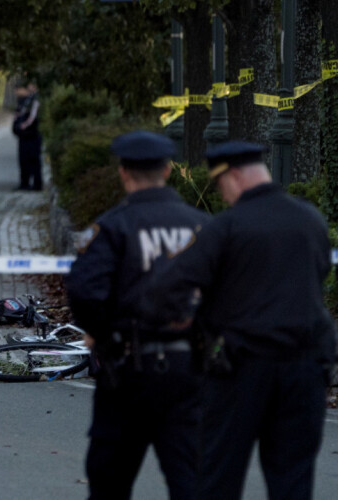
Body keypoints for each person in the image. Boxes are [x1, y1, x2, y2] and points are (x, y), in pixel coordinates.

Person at [139, 141, 336, 500]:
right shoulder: (310, 219)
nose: (223, 195)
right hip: (304, 368)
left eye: (220, 186)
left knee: (216, 476)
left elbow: (168, 286)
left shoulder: (226, 227)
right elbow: (318, 275)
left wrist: (184, 319)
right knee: (293, 481)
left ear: (232, 176)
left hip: (241, 370)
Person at [65, 130, 210, 500]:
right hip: (188, 368)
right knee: (191, 477)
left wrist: (105, 336)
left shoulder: (113, 226)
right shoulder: (203, 226)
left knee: (110, 477)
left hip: (128, 369)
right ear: (167, 170)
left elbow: (84, 291)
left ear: (123, 172)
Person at [12, 83, 42, 191]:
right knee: (23, 160)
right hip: (23, 136)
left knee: (33, 160)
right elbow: (17, 116)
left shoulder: (34, 100)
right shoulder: (23, 101)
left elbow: (32, 118)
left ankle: (36, 184)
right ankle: (24, 183)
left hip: (32, 135)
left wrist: (22, 127)